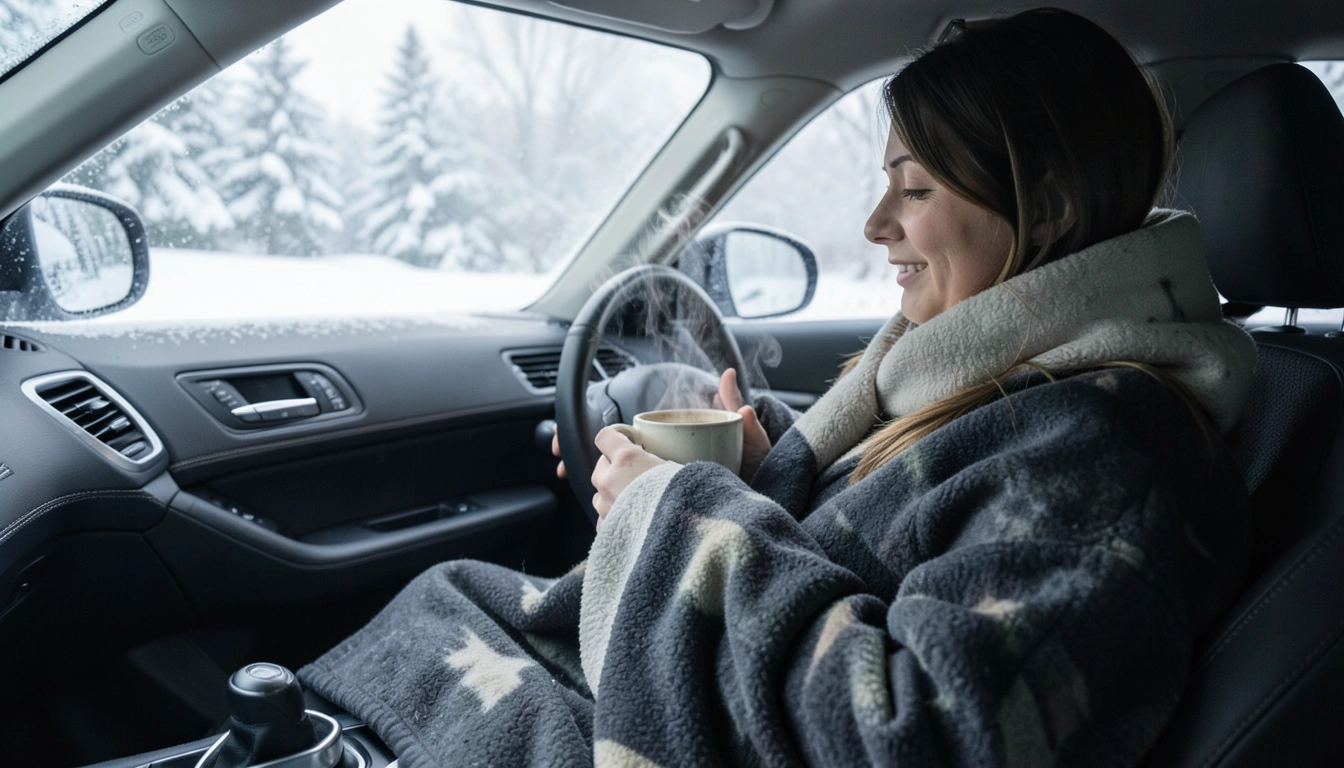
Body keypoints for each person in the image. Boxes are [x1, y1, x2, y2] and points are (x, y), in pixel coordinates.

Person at [300, 8, 1256, 766]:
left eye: (915, 190)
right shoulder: (989, 379)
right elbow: (902, 532)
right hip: (696, 697)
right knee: (452, 594)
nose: (876, 224)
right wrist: (772, 471)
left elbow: (928, 734)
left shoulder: (1099, 452)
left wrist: (681, 514)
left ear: (1044, 209)